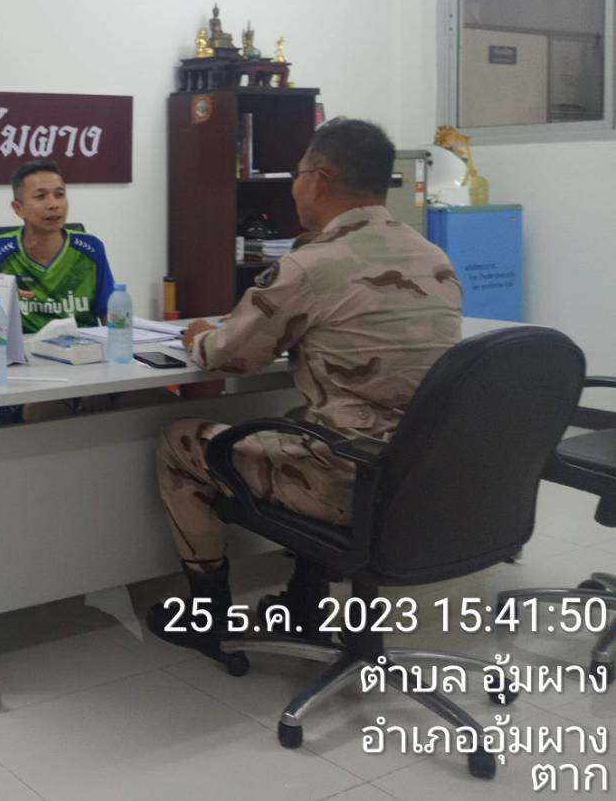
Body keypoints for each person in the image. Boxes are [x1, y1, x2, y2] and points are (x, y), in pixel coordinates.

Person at [146, 119, 462, 657]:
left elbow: (229, 356)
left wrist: (198, 334)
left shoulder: (312, 264)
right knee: (302, 420)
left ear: (319, 179)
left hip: (345, 483)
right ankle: (306, 599)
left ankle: (208, 613)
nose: (295, 187)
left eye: (297, 175)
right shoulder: (433, 258)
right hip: (423, 479)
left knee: (179, 441)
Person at [0, 158, 115, 333]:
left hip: (83, 346)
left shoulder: (91, 249)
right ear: (18, 208)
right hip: (21, 346)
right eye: (41, 196)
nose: (54, 205)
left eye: (59, 195)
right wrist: (1, 295)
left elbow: (111, 313)